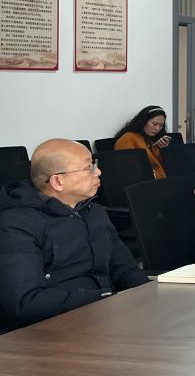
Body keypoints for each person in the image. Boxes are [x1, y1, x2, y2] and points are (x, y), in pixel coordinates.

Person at [0, 139, 149, 333]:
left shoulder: (94, 212)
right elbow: (25, 302)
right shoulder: (16, 224)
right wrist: (105, 298)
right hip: (49, 331)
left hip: (102, 318)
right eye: (88, 168)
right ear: (57, 181)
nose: (98, 172)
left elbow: (126, 270)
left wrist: (150, 298)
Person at [114, 105, 171, 178]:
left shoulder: (153, 139)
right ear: (143, 122)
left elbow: (162, 167)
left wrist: (163, 150)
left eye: (161, 125)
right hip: (141, 182)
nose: (157, 128)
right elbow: (126, 169)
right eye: (154, 124)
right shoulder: (127, 138)